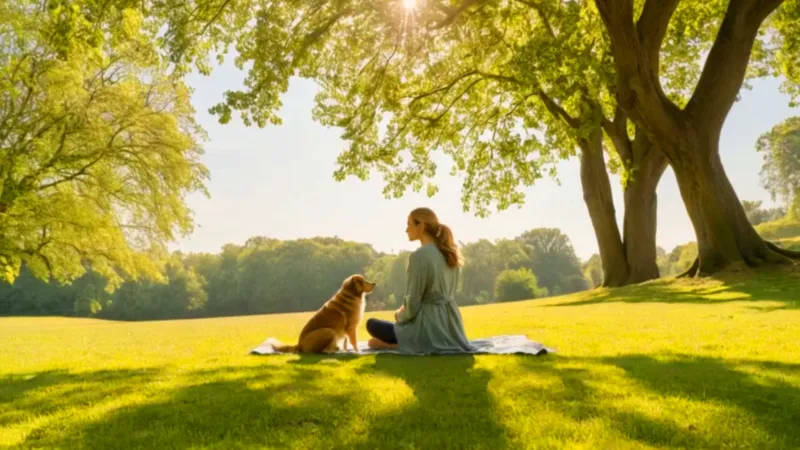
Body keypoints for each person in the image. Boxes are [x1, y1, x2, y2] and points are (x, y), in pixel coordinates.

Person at [366, 207, 475, 353]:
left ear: (421, 226)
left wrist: (399, 315)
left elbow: (413, 302)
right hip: (453, 327)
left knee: (372, 325)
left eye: (409, 224)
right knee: (379, 333)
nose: (406, 230)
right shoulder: (450, 254)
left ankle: (401, 345)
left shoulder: (419, 256)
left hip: (427, 328)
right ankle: (400, 343)